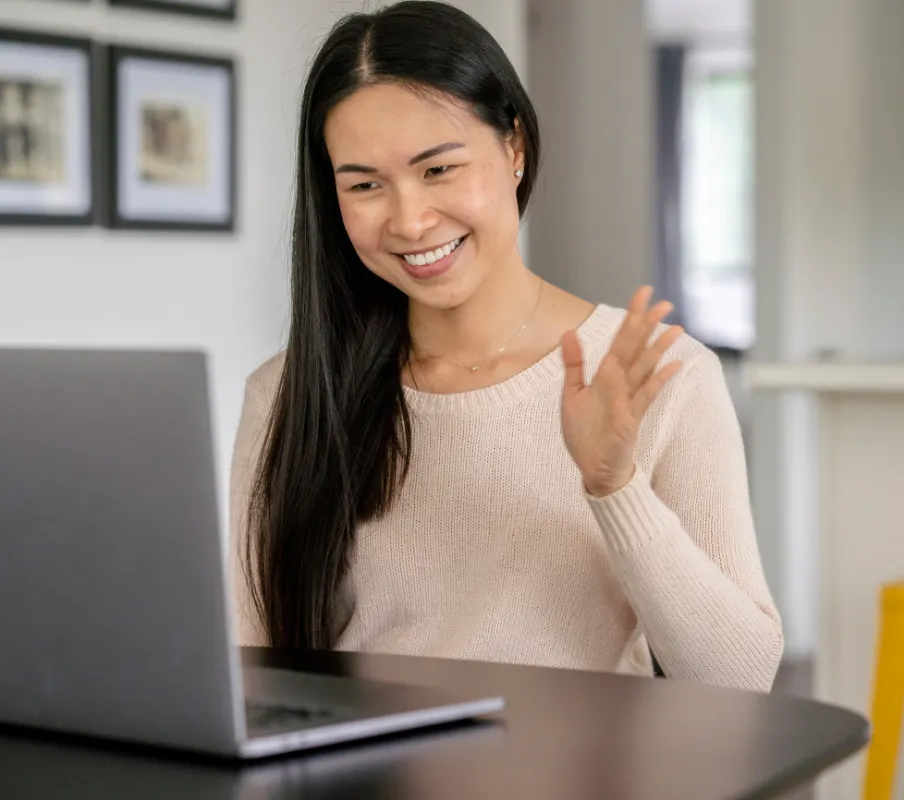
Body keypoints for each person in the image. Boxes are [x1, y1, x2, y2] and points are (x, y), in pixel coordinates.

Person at [229, 0, 782, 693]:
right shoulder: (290, 394)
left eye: (438, 169)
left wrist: (615, 486)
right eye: (365, 185)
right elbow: (253, 672)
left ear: (513, 147)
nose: (409, 219)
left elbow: (741, 678)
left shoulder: (659, 376)